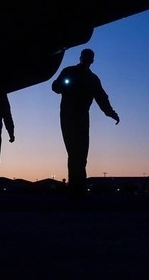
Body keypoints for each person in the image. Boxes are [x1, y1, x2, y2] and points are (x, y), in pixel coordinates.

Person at [51, 48, 119, 200]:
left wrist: (111, 113)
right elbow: (55, 87)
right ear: (81, 57)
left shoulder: (93, 79)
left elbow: (102, 98)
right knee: (74, 152)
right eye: (86, 56)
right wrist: (64, 85)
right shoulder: (69, 71)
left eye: (90, 57)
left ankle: (78, 186)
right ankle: (75, 187)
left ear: (92, 60)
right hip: (68, 117)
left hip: (82, 118)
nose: (88, 59)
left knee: (81, 154)